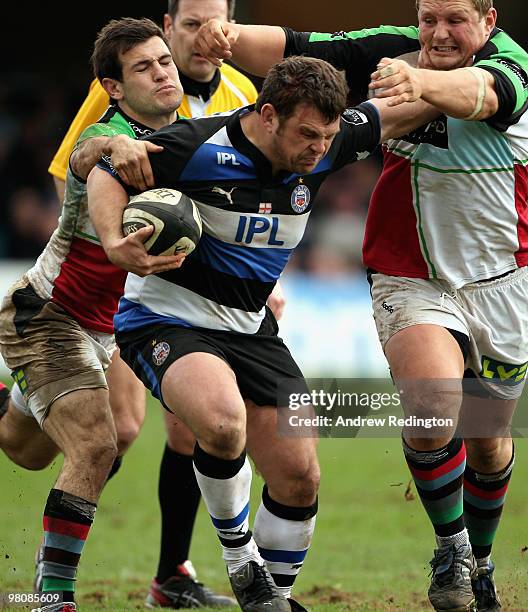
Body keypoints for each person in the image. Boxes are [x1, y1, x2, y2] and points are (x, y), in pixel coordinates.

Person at [195, 2, 528, 610]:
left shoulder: (512, 64)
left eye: (455, 19)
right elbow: (304, 46)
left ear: (488, 20)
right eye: (429, 18)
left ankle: (481, 561)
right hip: (411, 275)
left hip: (505, 283)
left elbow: (486, 92)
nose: (437, 33)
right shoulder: (394, 46)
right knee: (431, 403)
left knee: (488, 441)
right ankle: (451, 548)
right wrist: (232, 36)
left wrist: (419, 81)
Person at [87, 50, 440, 610]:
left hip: (252, 327)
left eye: (327, 137)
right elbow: (105, 173)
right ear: (268, 114)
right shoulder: (195, 146)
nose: (319, 150)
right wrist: (113, 241)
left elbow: (404, 109)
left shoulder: (326, 142)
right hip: (167, 317)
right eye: (307, 135)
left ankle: (271, 598)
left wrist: (449, 77)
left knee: (300, 476)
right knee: (224, 424)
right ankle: (240, 561)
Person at [47, 2, 283, 606]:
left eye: (218, 23)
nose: (207, 37)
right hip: (118, 290)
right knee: (117, 432)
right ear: (169, 25)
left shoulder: (242, 91)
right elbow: (78, 164)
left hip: (195, 293)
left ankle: (171, 573)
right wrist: (110, 231)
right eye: (191, 24)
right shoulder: (131, 93)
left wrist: (255, 280)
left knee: (190, 427)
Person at [0, 18, 194, 612]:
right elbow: (84, 155)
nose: (163, 72)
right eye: (144, 67)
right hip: (46, 314)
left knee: (28, 449)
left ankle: (7, 401)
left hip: (110, 327)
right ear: (113, 86)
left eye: (165, 61)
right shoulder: (108, 135)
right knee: (94, 442)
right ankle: (51, 596)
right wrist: (113, 144)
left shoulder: (190, 138)